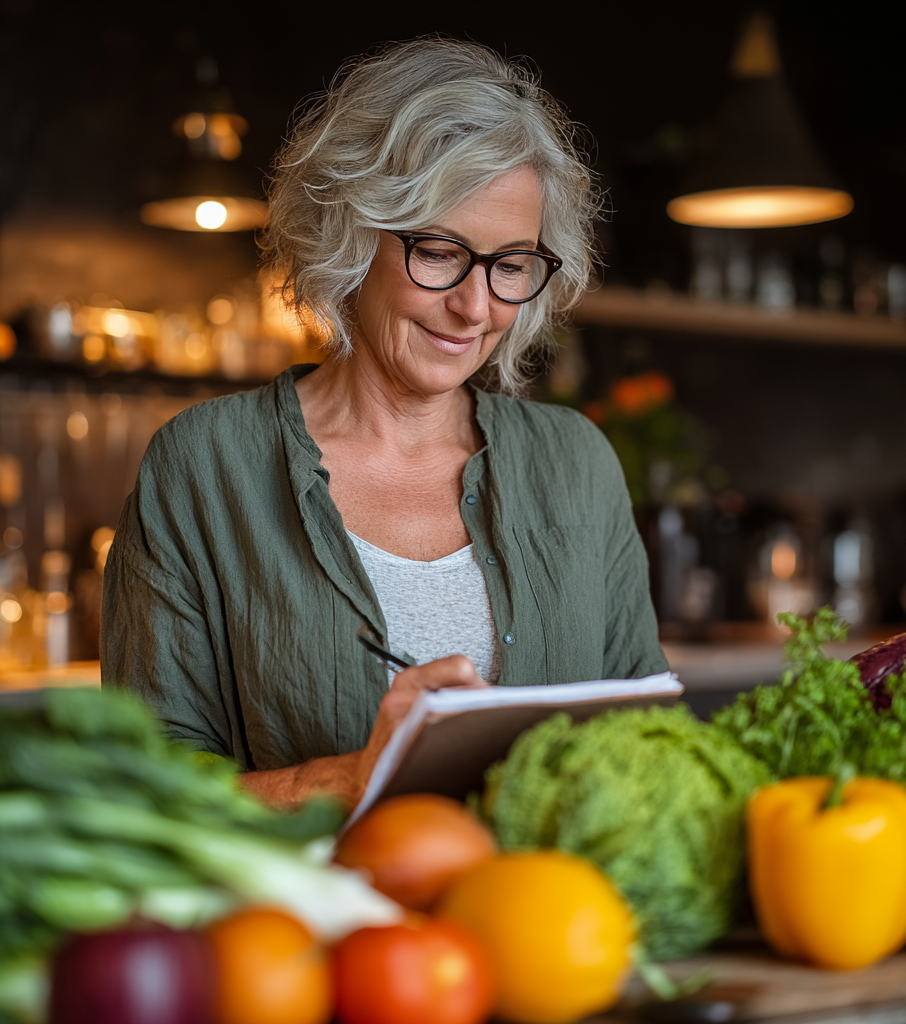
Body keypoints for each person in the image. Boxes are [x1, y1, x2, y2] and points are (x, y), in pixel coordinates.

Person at [101, 38, 667, 810]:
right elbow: (143, 791)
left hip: (548, 925)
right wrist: (346, 778)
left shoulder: (577, 464)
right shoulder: (206, 465)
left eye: (511, 264)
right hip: (317, 930)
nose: (476, 307)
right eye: (439, 252)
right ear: (350, 232)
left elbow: (649, 744)